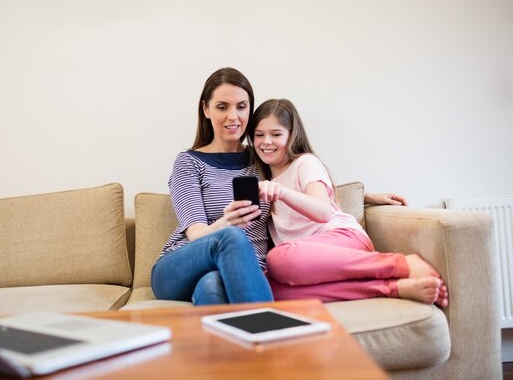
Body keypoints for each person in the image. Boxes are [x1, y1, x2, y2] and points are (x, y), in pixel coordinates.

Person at [248, 98, 448, 307]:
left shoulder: (305, 163)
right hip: (310, 261)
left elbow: (323, 211)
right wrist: (366, 196)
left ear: (292, 136)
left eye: (276, 134)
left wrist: (281, 192)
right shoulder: (265, 181)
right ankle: (390, 288)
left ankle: (400, 264)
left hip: (342, 239)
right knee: (268, 288)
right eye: (259, 135)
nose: (266, 141)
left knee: (278, 259)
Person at [150, 67, 273, 305]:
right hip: (179, 267)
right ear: (206, 109)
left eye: (241, 106)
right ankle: (268, 328)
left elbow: (308, 182)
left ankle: (225, 341)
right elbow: (195, 234)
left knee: (211, 287)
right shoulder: (188, 163)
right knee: (231, 236)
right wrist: (227, 223)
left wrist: (368, 198)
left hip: (242, 271)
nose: (233, 117)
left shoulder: (264, 158)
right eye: (222, 107)